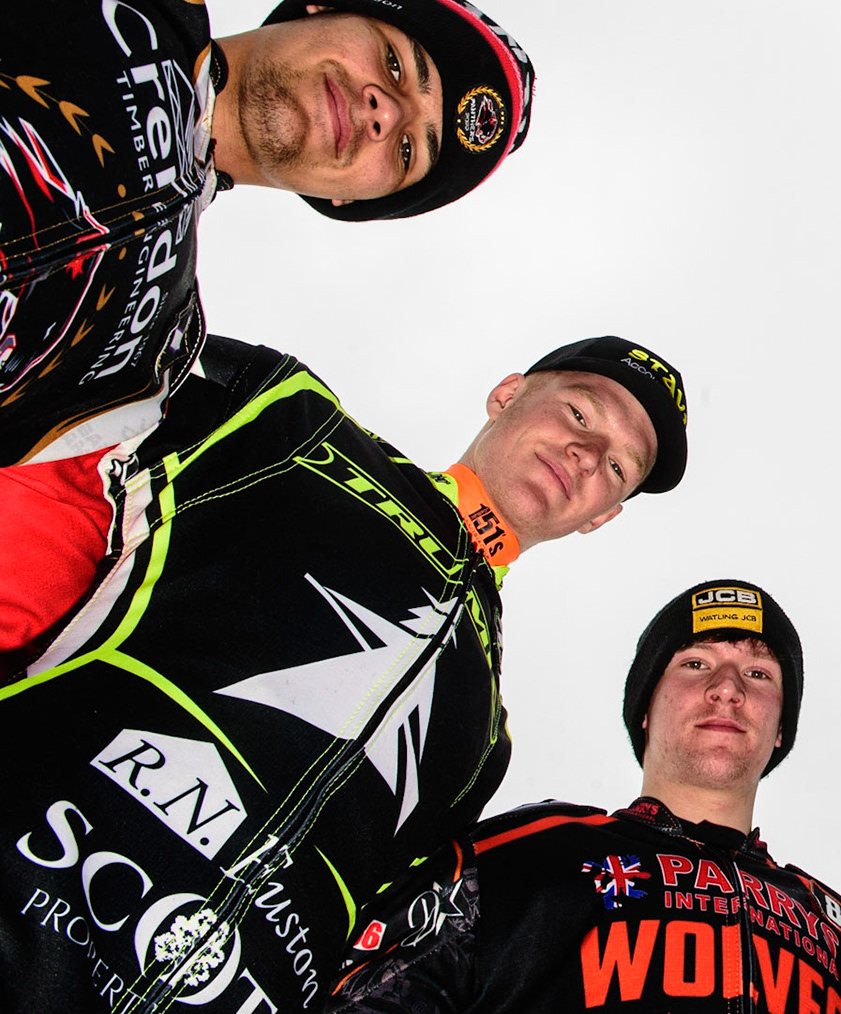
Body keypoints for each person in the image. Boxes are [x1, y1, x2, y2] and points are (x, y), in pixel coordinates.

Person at [0, 332, 689, 1013]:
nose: (588, 453)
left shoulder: (484, 743)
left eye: (620, 467)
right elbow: (51, 428)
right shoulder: (290, 424)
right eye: (579, 412)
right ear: (507, 393)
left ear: (601, 518)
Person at [0, 0, 538, 592]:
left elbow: (21, 568)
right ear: (325, 5)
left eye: (406, 152)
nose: (384, 111)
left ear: (343, 198)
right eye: (398, 67)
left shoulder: (147, 378)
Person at [329, 579, 841, 1014]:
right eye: (696, 664)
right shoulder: (513, 860)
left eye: (759, 673)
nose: (727, 688)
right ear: (645, 710)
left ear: (780, 732)